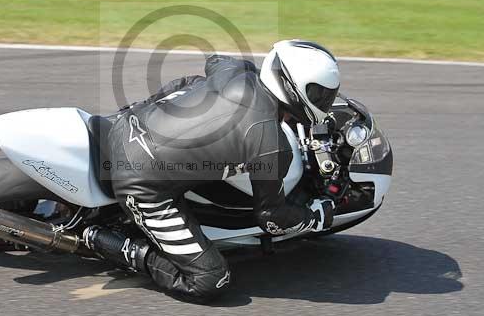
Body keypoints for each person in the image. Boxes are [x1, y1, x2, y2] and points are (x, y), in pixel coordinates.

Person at [82, 39, 339, 302]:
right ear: (295, 87)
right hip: (140, 183)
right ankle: (106, 243)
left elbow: (215, 60)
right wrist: (314, 217)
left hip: (127, 122)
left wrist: (230, 76)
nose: (325, 100)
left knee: (193, 83)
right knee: (210, 280)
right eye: (320, 93)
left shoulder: (238, 72)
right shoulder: (272, 146)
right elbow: (271, 218)